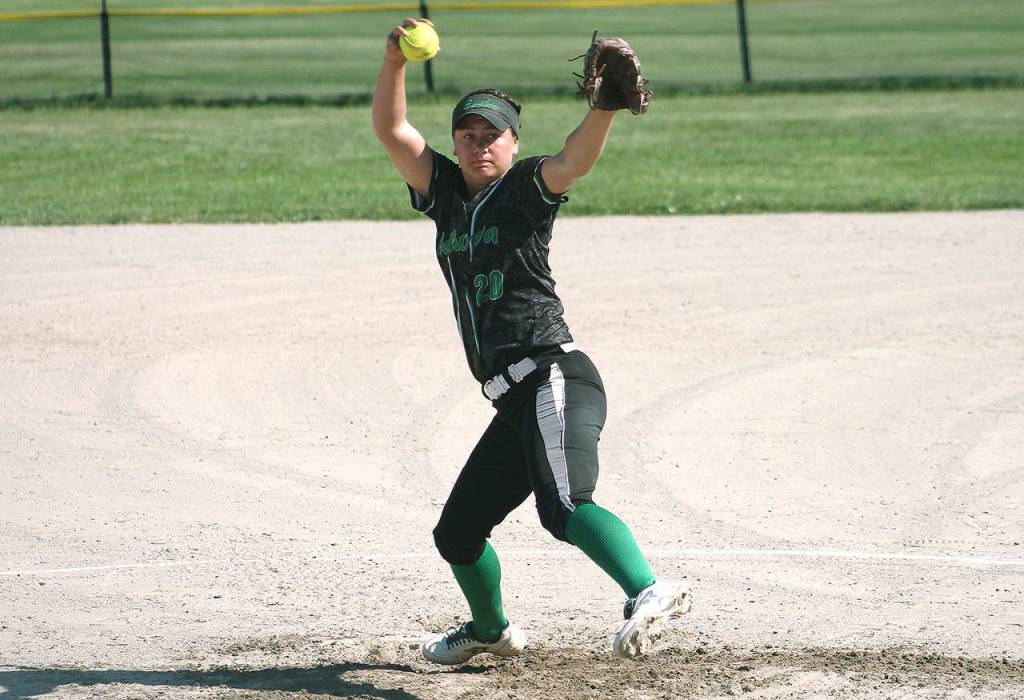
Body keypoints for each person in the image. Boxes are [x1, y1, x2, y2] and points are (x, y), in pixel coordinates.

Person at [372, 18, 691, 664]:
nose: (479, 144)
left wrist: (603, 108)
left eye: (493, 136)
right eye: (468, 135)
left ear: (514, 144)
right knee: (457, 533)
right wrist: (394, 61)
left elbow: (573, 161)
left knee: (565, 504)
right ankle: (490, 630)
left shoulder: (523, 191)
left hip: (555, 376)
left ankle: (649, 590)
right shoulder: (444, 197)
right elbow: (392, 129)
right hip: (515, 402)